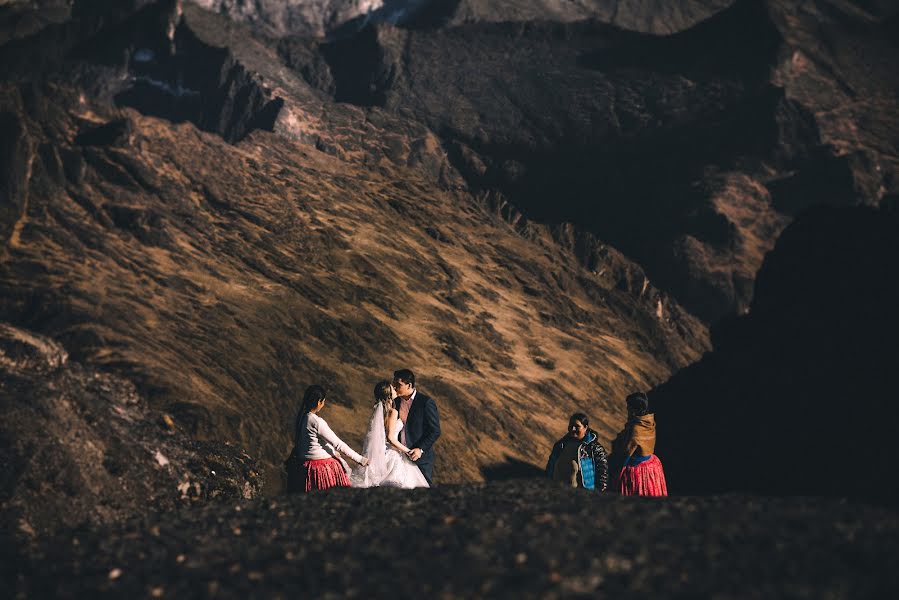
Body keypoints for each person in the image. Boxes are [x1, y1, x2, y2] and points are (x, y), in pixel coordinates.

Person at [350, 380, 430, 488]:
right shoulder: (393, 412)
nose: (395, 389)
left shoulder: (378, 411)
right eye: (392, 388)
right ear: (389, 393)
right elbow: (391, 438)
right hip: (392, 453)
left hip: (381, 452)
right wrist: (408, 451)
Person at [291, 384, 368, 493]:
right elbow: (338, 444)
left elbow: (312, 442)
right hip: (321, 468)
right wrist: (360, 459)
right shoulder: (317, 422)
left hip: (305, 467)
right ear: (319, 402)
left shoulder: (301, 418)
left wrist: (332, 451)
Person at [611, 392, 668, 496]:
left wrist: (618, 472)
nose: (627, 410)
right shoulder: (649, 422)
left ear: (634, 410)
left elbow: (626, 453)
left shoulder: (635, 428)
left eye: (629, 407)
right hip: (652, 464)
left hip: (638, 469)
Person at [392, 369, 440, 485]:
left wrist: (420, 449)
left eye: (398, 385)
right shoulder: (395, 402)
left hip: (420, 459)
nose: (395, 387)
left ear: (409, 385)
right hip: (399, 457)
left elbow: (435, 430)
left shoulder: (425, 402)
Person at [545, 412, 609, 492]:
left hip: (582, 496)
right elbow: (550, 468)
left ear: (585, 427)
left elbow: (602, 476)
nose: (573, 429)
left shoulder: (594, 449)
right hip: (557, 493)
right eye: (571, 426)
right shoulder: (560, 446)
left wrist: (598, 495)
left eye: (577, 426)